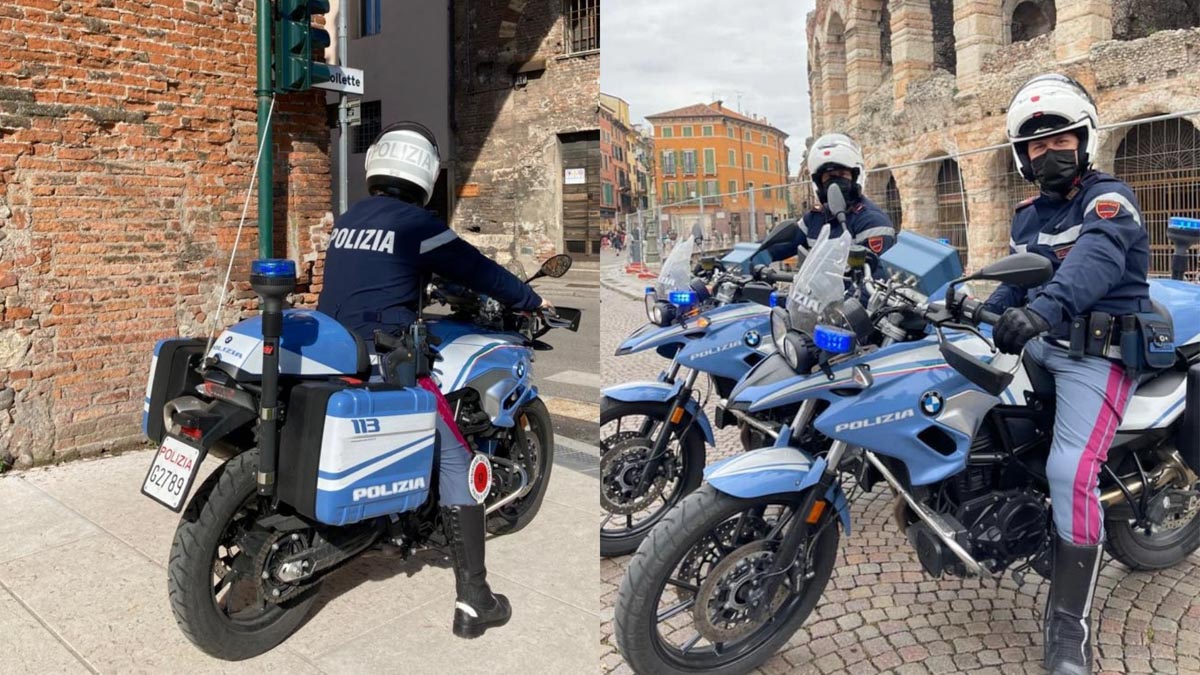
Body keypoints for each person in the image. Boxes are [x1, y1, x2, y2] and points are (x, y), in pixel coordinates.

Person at [318, 121, 551, 639]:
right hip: (382, 360)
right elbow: (481, 271)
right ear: (426, 173)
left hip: (333, 351)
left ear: (377, 163)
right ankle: (474, 600)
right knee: (456, 460)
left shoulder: (350, 218)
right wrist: (531, 299)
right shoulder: (418, 225)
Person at [982, 74, 1150, 675]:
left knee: (1069, 470)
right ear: (1022, 155)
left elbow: (1093, 262)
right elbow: (1017, 279)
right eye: (1037, 145)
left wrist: (1042, 310)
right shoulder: (1028, 216)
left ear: (1084, 141)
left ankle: (1068, 628)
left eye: (1061, 140)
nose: (1049, 152)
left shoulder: (1108, 200)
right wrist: (977, 306)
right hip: (1043, 344)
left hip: (1097, 354)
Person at [765, 133, 896, 270]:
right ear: (819, 183)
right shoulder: (814, 219)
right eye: (829, 177)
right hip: (812, 284)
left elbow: (876, 274)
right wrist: (754, 255)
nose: (835, 184)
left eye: (842, 174)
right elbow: (781, 245)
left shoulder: (872, 221)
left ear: (854, 178)